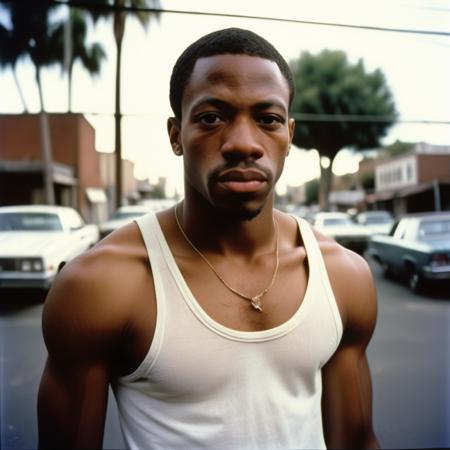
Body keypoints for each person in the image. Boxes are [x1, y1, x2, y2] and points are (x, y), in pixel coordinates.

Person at [38, 27, 379, 450]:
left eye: (268, 119)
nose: (243, 143)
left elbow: (358, 439)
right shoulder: (101, 284)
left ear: (289, 135)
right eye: (211, 117)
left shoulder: (343, 275)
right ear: (176, 134)